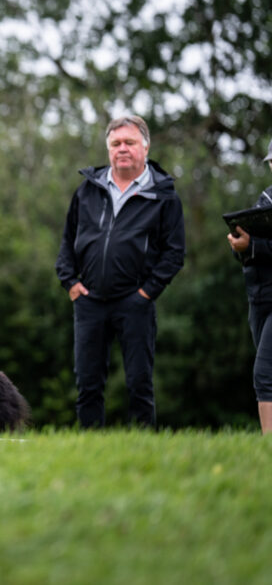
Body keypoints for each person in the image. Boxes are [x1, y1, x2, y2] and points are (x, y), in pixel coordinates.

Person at [55, 116, 185, 428]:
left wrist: (147, 293)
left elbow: (174, 252)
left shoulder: (164, 195)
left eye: (130, 142)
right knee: (88, 385)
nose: (122, 149)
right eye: (115, 143)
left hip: (135, 301)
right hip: (89, 300)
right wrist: (70, 282)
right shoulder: (87, 190)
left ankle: (143, 446)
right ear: (108, 149)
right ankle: (90, 447)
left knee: (140, 383)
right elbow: (68, 240)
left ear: (146, 147)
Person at [226, 138, 272, 435]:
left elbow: (257, 245)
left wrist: (253, 245)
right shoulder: (266, 198)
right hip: (260, 297)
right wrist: (239, 245)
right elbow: (248, 248)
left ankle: (268, 445)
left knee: (265, 373)